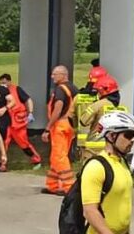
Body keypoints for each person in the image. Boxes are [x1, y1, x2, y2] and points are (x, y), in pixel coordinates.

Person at [81, 111, 134, 234]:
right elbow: (90, 211)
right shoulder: (96, 167)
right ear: (112, 136)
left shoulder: (122, 162)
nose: (133, 139)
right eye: (128, 135)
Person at [42, 65, 78, 195]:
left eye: (54, 74)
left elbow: (58, 108)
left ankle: (69, 186)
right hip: (70, 125)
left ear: (63, 75)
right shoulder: (73, 88)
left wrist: (48, 127)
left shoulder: (60, 90)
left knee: (59, 156)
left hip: (60, 125)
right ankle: (52, 185)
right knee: (57, 155)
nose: (52, 77)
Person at [80, 76, 128, 162]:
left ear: (103, 91)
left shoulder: (99, 104)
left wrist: (90, 106)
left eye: (98, 91)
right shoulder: (122, 107)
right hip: (112, 146)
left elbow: (83, 121)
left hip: (94, 147)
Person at [0, 74, 41, 169]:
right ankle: (2, 164)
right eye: (1, 83)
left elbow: (28, 100)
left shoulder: (16, 89)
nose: (3, 85)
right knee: (3, 142)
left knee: (23, 143)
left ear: (10, 81)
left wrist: (30, 112)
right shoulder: (0, 91)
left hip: (18, 122)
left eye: (4, 82)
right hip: (5, 122)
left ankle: (36, 160)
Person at [75, 66, 110, 153]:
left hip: (81, 138)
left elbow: (71, 116)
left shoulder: (78, 97)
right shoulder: (104, 98)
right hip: (99, 139)